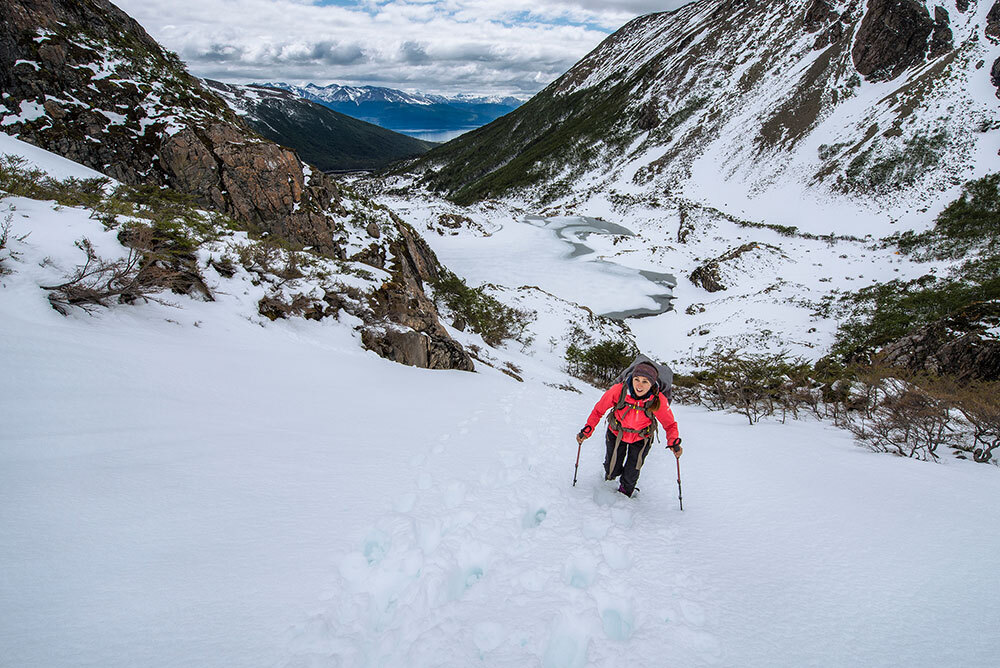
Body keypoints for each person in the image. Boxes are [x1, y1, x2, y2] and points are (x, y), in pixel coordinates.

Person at [576, 362, 681, 497]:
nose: (639, 385)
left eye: (645, 381)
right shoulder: (619, 391)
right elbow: (598, 410)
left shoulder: (657, 399)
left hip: (642, 437)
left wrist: (673, 441)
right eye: (636, 379)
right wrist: (587, 430)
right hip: (617, 432)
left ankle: (624, 496)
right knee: (612, 468)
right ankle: (608, 485)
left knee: (632, 472)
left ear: (652, 384)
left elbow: (670, 424)